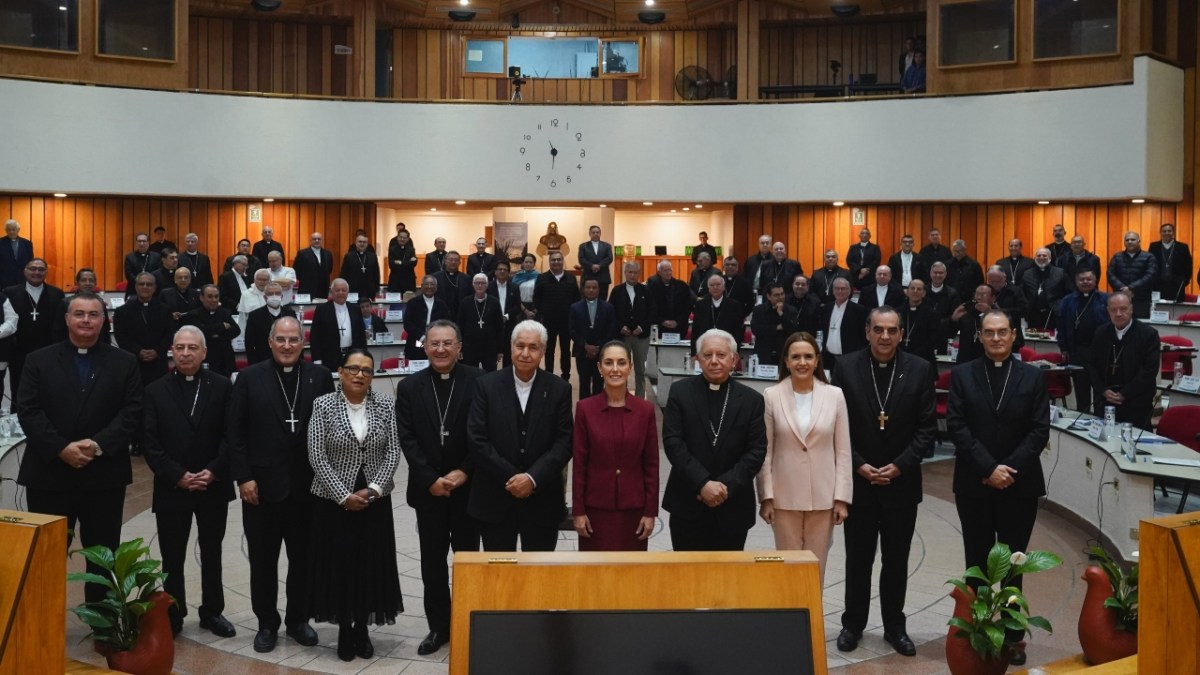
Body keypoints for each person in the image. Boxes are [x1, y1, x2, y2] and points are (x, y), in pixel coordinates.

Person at [16, 291, 142, 604]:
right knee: (47, 552)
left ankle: (103, 622)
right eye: (79, 314)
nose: (86, 320)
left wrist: (98, 444)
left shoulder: (124, 362)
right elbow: (28, 410)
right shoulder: (38, 360)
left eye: (93, 314)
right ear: (67, 319)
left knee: (104, 553)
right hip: (50, 475)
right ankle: (45, 623)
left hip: (103, 474)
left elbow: (132, 411)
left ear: (105, 320)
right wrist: (61, 448)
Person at [947, 310, 1050, 667]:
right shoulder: (962, 375)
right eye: (988, 333)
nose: (995, 338)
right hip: (975, 484)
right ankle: (974, 630)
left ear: (1014, 334)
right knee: (975, 561)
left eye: (1002, 332)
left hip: (1018, 487)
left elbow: (1039, 431)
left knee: (1013, 565)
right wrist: (989, 468)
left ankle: (1012, 636)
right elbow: (957, 427)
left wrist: (1008, 470)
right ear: (979, 336)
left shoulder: (1033, 377)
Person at [832, 308, 936, 656]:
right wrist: (860, 466)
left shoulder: (919, 369)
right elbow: (838, 426)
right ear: (867, 332)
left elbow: (926, 430)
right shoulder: (845, 367)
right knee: (858, 559)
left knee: (896, 560)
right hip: (859, 484)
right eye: (878, 329)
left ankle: (895, 626)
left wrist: (899, 466)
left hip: (901, 484)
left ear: (901, 333)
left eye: (892, 330)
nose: (885, 336)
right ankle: (853, 624)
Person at [228, 316, 335, 653]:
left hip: (308, 489)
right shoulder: (248, 378)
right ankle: (266, 623)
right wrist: (244, 477)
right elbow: (235, 434)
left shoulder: (319, 377)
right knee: (263, 561)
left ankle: (298, 620)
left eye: (294, 340)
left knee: (303, 560)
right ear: (271, 342)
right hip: (260, 489)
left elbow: (330, 431)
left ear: (303, 343)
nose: (287, 346)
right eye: (281, 340)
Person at [306, 349, 403, 662]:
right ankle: (345, 628)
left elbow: (393, 452)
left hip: (374, 502)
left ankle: (362, 626)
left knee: (369, 565)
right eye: (353, 368)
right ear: (341, 372)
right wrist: (343, 495)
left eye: (367, 370)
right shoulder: (323, 405)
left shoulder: (386, 404)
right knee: (340, 564)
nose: (360, 375)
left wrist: (373, 490)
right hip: (334, 504)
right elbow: (316, 455)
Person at [396, 320, 483, 656]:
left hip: (467, 489)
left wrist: (464, 472)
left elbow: (483, 433)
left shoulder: (478, 381)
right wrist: (429, 478)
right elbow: (407, 438)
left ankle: (466, 622)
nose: (441, 349)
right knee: (432, 563)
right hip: (427, 491)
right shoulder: (410, 386)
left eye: (448, 343)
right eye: (434, 343)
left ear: (460, 346)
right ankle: (438, 627)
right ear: (425, 346)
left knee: (466, 561)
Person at [143, 326, 237, 638]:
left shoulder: (223, 387)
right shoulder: (155, 390)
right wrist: (178, 475)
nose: (185, 353)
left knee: (212, 552)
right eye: (180, 347)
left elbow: (231, 436)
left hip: (214, 485)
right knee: (173, 556)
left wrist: (214, 470)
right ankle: (174, 613)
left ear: (204, 352)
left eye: (192, 348)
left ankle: (212, 612)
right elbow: (150, 443)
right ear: (171, 349)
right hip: (172, 488)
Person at [467, 320, 574, 551]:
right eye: (520, 346)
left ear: (544, 351)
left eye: (533, 347)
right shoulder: (486, 385)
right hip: (495, 496)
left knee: (539, 577)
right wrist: (515, 478)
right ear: (511, 347)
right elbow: (477, 440)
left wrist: (532, 478)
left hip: (542, 497)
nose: (525, 353)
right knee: (499, 574)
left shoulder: (559, 389)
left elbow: (564, 443)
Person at [758, 332, 851, 580]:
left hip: (823, 497)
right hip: (783, 496)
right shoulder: (771, 395)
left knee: (814, 569)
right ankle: (789, 619)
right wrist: (766, 496)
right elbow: (765, 452)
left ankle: (812, 619)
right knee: (787, 568)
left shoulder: (835, 396)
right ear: (786, 362)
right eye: (796, 357)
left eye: (808, 356)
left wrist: (842, 498)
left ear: (817, 360)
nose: (802, 362)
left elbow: (843, 451)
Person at [663, 329, 767, 551]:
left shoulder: (752, 400)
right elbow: (673, 443)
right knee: (687, 579)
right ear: (698, 359)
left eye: (721, 355)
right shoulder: (680, 392)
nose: (714, 361)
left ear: (734, 359)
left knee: (727, 582)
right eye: (707, 355)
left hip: (733, 506)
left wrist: (723, 487)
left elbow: (756, 451)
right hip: (687, 503)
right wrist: (702, 483)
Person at [572, 340, 659, 551]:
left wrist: (650, 512)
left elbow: (651, 465)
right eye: (609, 363)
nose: (615, 369)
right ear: (600, 368)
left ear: (630, 367)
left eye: (621, 363)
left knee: (631, 577)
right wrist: (578, 511)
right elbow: (579, 465)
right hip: (595, 509)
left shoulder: (644, 410)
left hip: (634, 509)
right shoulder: (585, 409)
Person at [1087, 292, 1160, 429]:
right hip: (1105, 401)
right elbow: (1091, 364)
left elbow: (1149, 370)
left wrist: (1124, 394)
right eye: (1114, 310)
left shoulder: (1148, 334)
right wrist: (1102, 390)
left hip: (1136, 402)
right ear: (1108, 311)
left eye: (1123, 309)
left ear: (1131, 309)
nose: (1119, 313)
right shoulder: (1101, 333)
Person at [5, 258, 65, 406]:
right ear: (25, 271)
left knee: (47, 390)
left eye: (41, 269)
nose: (36, 272)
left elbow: (60, 325)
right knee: (18, 390)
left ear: (46, 272)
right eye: (32, 268)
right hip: (18, 352)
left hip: (48, 351)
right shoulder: (11, 293)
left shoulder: (57, 294)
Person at [1056, 270, 1109, 415]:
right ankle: (1083, 417)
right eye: (1082, 279)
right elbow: (1061, 325)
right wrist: (1064, 348)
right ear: (1076, 282)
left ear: (1095, 281)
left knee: (1100, 388)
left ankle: (1100, 419)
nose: (1085, 282)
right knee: (1081, 387)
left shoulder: (1104, 299)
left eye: (1089, 279)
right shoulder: (1068, 300)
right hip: (1077, 351)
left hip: (1100, 352)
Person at [114, 272, 173, 389]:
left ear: (155, 288)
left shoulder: (165, 310)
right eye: (141, 284)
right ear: (136, 287)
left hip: (158, 363)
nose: (145, 287)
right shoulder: (122, 311)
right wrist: (138, 351)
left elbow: (169, 334)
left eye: (149, 284)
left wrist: (156, 351)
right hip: (133, 363)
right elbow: (121, 337)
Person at [608, 261, 653, 399]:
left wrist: (642, 327)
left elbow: (652, 312)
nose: (632, 275)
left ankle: (639, 398)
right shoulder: (617, 291)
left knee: (640, 369)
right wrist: (620, 327)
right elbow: (611, 313)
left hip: (641, 337)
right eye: (630, 272)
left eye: (635, 272)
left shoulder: (646, 290)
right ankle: (622, 395)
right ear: (625, 273)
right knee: (622, 367)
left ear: (639, 274)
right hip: (622, 337)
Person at [533, 250, 581, 379]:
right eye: (553, 260)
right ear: (549, 262)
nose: (556, 262)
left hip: (566, 321)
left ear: (562, 261)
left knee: (566, 350)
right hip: (549, 322)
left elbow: (577, 298)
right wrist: (542, 313)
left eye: (559, 259)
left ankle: (565, 376)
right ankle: (549, 375)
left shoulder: (571, 278)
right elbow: (536, 299)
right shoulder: (542, 278)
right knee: (549, 351)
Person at [569, 279, 617, 398]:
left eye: (594, 287)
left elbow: (611, 331)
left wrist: (598, 347)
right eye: (588, 287)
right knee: (584, 384)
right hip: (582, 352)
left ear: (599, 290)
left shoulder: (608, 307)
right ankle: (584, 412)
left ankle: (598, 413)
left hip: (601, 352)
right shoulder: (575, 307)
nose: (591, 290)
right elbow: (572, 330)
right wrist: (585, 346)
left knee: (599, 384)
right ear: (583, 289)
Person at [182, 285, 241, 376]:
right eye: (210, 296)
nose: (214, 300)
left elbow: (236, 330)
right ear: (201, 297)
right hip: (206, 358)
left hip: (226, 358)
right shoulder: (194, 314)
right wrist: (221, 326)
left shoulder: (225, 312)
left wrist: (216, 335)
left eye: (216, 296)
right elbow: (200, 332)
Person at [307, 279, 363, 367]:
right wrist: (317, 360)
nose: (341, 293)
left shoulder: (355, 309)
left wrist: (363, 357)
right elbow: (315, 337)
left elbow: (361, 336)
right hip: (329, 358)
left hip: (352, 357)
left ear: (348, 292)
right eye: (337, 290)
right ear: (331, 292)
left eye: (343, 290)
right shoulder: (322, 309)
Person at [819, 276, 868, 371]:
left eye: (843, 289)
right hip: (829, 358)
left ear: (849, 291)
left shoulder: (859, 310)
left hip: (850, 358)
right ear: (833, 291)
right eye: (837, 288)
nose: (840, 291)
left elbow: (864, 337)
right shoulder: (825, 309)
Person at [458, 273, 505, 372]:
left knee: (490, 376)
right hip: (469, 347)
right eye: (477, 283)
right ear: (473, 285)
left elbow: (499, 327)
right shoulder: (465, 302)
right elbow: (460, 326)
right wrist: (460, 347)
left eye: (483, 283)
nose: (480, 285)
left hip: (490, 348)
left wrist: (500, 350)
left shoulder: (494, 302)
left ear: (487, 285)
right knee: (470, 375)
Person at [690, 275, 746, 357]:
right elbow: (695, 330)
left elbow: (738, 331)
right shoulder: (701, 305)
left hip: (726, 347)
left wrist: (735, 352)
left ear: (723, 287)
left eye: (718, 284)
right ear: (708, 288)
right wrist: (694, 353)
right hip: (705, 347)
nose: (715, 287)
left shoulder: (734, 305)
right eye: (712, 285)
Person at [1108, 232, 1159, 319]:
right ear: (1124, 242)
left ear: (1139, 241)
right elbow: (1110, 274)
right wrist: (1123, 289)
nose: (1130, 242)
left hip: (1141, 300)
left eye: (1133, 239)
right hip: (1121, 299)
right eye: (1127, 240)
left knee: (1141, 327)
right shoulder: (1117, 257)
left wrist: (1131, 288)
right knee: (1121, 323)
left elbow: (1150, 276)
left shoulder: (1149, 257)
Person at [54, 268, 111, 344]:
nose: (88, 283)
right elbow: (58, 331)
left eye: (91, 280)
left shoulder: (100, 303)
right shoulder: (65, 303)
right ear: (77, 283)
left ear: (95, 283)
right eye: (84, 280)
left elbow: (105, 330)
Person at [244, 283, 295, 365]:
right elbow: (249, 343)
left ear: (281, 297)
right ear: (265, 297)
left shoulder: (290, 313)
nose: (274, 296)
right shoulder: (255, 315)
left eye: (277, 293)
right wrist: (253, 364)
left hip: (286, 358)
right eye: (270, 294)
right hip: (262, 361)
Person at [751, 282, 798, 367]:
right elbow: (755, 329)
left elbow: (793, 330)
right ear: (769, 296)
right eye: (776, 295)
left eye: (782, 294)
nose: (780, 297)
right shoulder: (759, 310)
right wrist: (775, 328)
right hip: (764, 352)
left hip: (783, 353)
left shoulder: (791, 310)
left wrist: (781, 314)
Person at [403, 275, 450, 361]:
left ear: (436, 287)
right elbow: (408, 324)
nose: (429, 287)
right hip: (417, 342)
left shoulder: (442, 304)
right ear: (421, 286)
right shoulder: (413, 303)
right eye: (426, 284)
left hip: (436, 343)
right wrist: (422, 338)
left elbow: (445, 324)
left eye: (432, 284)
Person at [1021, 248, 1069, 331]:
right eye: (1039, 255)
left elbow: (1068, 293)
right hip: (1033, 314)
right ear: (1035, 258)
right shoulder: (1027, 274)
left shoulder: (1060, 273)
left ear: (1050, 258)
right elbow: (1022, 293)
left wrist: (1060, 306)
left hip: (1053, 314)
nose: (1041, 258)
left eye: (1044, 255)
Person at [897, 279, 940, 369]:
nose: (915, 291)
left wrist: (912, 356)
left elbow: (932, 340)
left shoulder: (932, 314)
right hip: (899, 359)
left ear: (924, 293)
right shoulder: (897, 313)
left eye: (919, 289)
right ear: (907, 292)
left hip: (923, 361)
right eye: (912, 288)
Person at [952, 285, 999, 364]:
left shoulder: (1000, 315)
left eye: (984, 295)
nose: (979, 298)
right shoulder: (966, 312)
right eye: (977, 295)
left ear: (993, 298)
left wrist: (988, 313)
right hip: (965, 361)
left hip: (989, 360)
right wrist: (953, 319)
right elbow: (948, 333)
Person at [489, 260, 523, 367]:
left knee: (509, 355)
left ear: (508, 272)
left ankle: (506, 380)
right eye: (500, 269)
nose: (502, 271)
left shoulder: (514, 287)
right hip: (492, 325)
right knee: (492, 356)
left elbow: (517, 306)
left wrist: (506, 316)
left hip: (509, 325)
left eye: (505, 270)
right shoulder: (488, 287)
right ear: (495, 272)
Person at [646, 259, 693, 338]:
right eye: (665, 270)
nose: (669, 273)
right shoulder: (652, 288)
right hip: (659, 327)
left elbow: (688, 306)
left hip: (679, 326)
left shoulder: (682, 286)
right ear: (659, 273)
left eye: (670, 270)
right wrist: (662, 321)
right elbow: (649, 308)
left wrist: (677, 321)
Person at [1150, 222, 1192, 302]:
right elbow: (1150, 265)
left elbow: (1188, 266)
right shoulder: (1154, 246)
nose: (1167, 233)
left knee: (1176, 309)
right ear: (1160, 233)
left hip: (1177, 285)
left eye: (1169, 231)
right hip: (1158, 285)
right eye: (1164, 231)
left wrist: (1184, 281)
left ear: (1173, 232)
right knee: (1158, 309)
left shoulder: (1183, 247)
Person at [294, 231, 334, 300]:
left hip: (323, 289)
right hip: (306, 289)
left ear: (322, 241)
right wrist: (306, 280)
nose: (317, 241)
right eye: (314, 239)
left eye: (319, 239)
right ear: (310, 241)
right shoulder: (302, 253)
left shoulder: (328, 254)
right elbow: (296, 270)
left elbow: (329, 269)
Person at [577, 225, 613, 300]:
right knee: (585, 300)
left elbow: (609, 258)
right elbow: (581, 259)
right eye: (593, 232)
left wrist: (599, 266)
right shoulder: (583, 246)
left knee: (602, 301)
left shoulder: (607, 246)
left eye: (597, 232)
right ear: (590, 234)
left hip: (603, 278)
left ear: (600, 233)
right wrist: (591, 266)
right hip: (588, 277)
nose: (596, 234)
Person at [340, 233, 380, 300]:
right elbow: (344, 274)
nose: (362, 244)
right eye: (360, 242)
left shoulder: (372, 256)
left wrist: (376, 289)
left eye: (364, 242)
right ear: (356, 243)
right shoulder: (349, 256)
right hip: (353, 290)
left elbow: (376, 274)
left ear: (367, 244)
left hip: (369, 291)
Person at [0, 219, 34, 288]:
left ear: (18, 230)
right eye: (9, 230)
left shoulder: (27, 243)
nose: (11, 232)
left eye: (13, 229)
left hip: (23, 280)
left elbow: (31, 262)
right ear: (6, 231)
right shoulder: (1, 243)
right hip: (5, 281)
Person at [386, 226, 418, 294]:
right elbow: (391, 265)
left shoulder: (411, 249)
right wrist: (408, 262)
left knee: (409, 302)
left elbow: (414, 263)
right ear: (397, 237)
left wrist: (400, 262)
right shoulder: (392, 249)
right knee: (395, 303)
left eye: (404, 238)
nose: (402, 239)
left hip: (409, 280)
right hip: (395, 280)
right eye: (400, 237)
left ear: (408, 239)